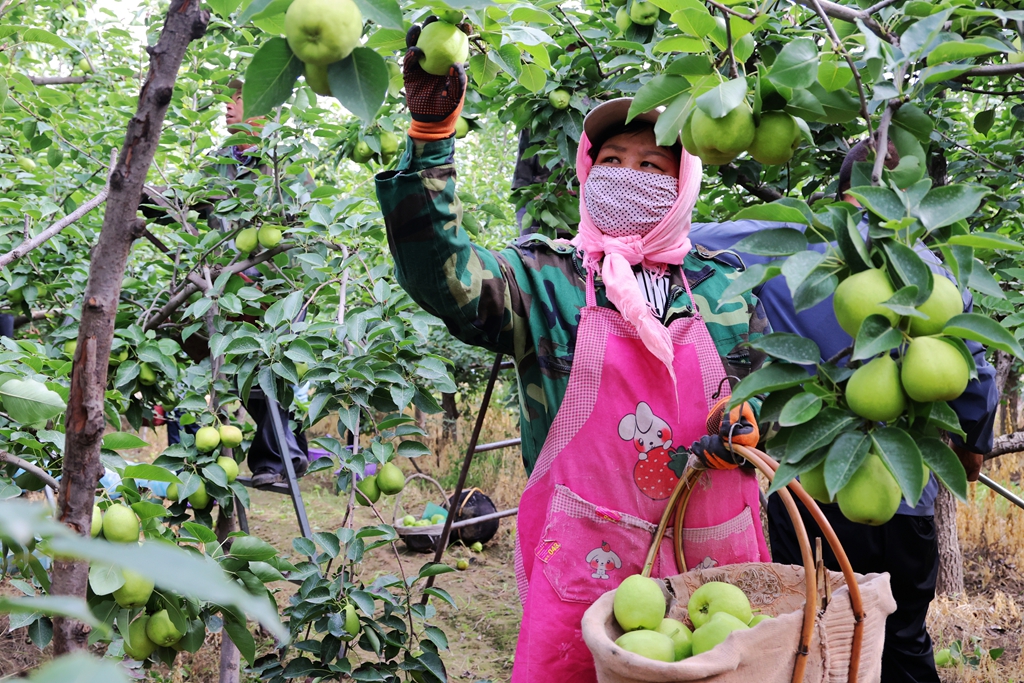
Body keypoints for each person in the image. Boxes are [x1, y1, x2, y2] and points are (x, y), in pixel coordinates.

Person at [376, 21, 772, 682]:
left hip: (709, 562)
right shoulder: (546, 280)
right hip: (587, 564)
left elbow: (766, 398)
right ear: (587, 173)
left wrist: (751, 424)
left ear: (684, 183)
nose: (626, 176)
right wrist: (431, 137)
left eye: (651, 166)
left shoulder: (725, 289)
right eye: (611, 160)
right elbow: (447, 278)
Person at [688, 137, 998, 683]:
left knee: (809, 635)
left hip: (804, 481)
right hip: (899, 490)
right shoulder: (933, 276)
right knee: (900, 639)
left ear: (841, 194)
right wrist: (972, 449)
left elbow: (679, 236)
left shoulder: (788, 248)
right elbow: (976, 379)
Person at [146, 80, 310, 488]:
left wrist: (262, 272)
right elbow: (184, 200)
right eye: (227, 99)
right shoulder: (221, 162)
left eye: (239, 98)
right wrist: (143, 194)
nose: (228, 106)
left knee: (266, 369)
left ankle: (279, 457)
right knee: (211, 352)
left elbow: (302, 235)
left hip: (275, 292)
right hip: (226, 294)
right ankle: (286, 452)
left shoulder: (284, 161)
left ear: (265, 108)